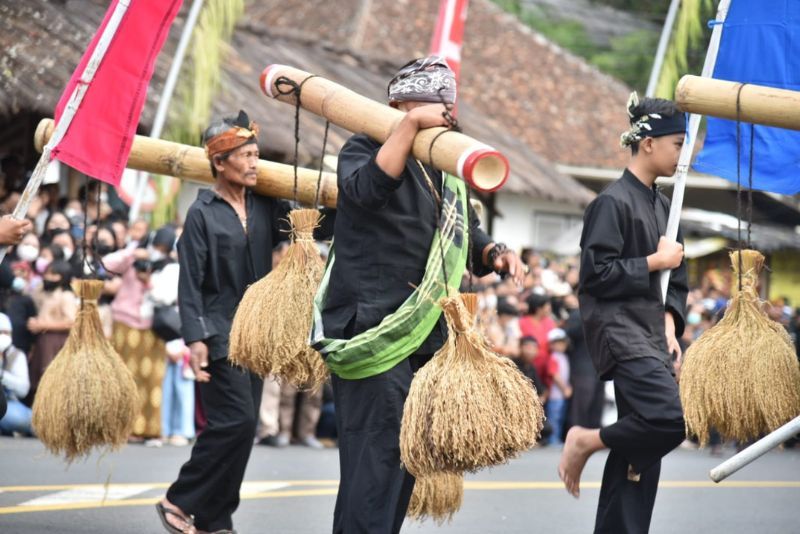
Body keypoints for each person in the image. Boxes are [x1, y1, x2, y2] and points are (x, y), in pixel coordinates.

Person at [314, 56, 525, 534]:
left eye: (446, 108)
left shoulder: (445, 169)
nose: (445, 116)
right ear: (399, 105)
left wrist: (495, 251)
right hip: (372, 329)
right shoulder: (363, 147)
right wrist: (407, 128)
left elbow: (465, 233)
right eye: (431, 107)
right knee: (375, 459)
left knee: (401, 461)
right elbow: (366, 194)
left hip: (424, 336)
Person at [157, 111, 332, 534]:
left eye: (257, 155)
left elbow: (309, 227)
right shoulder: (202, 213)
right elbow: (190, 284)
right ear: (220, 162)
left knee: (245, 427)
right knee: (232, 421)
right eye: (246, 155)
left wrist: (336, 200)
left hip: (255, 333)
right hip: (218, 330)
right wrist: (195, 338)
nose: (255, 163)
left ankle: (217, 518)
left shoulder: (265, 204)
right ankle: (178, 499)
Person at [558, 93, 689, 534]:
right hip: (620, 332)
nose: (681, 154)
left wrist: (671, 323)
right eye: (676, 143)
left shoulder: (664, 206)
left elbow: (677, 281)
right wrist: (655, 262)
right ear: (648, 142)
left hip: (652, 334)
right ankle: (585, 439)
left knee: (640, 455)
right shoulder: (610, 202)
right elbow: (596, 276)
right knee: (667, 420)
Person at [0, 313, 32, 436]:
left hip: (9, 403)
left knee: (20, 418)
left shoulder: (17, 355)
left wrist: (3, 376)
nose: (2, 336)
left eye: (5, 332)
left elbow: (23, 389)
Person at [546, 328, 572, 446]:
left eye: (563, 343)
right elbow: (554, 374)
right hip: (555, 393)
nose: (561, 345)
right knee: (554, 417)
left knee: (560, 417)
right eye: (557, 343)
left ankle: (557, 438)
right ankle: (553, 439)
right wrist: (564, 388)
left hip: (561, 393)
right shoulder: (554, 357)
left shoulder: (563, 356)